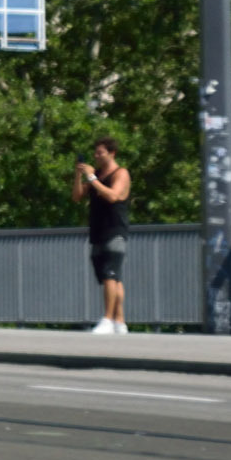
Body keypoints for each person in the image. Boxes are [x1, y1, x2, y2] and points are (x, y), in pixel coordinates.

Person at [73, 137, 133, 334]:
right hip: (98, 230)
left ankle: (107, 319)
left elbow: (113, 196)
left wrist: (92, 179)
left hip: (115, 229)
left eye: (101, 153)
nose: (97, 156)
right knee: (112, 278)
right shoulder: (96, 174)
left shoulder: (120, 173)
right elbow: (77, 197)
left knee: (110, 274)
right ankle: (120, 321)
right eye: (95, 153)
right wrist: (79, 175)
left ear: (112, 153)